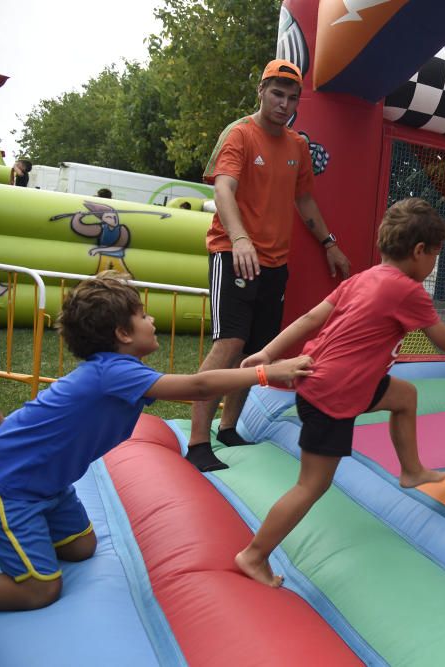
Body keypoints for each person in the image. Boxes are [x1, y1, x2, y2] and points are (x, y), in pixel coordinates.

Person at [0, 272, 312, 612]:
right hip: (7, 484)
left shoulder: (120, 370)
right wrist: (267, 373)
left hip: (46, 483)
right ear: (122, 333)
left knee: (80, 547)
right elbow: (198, 387)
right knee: (39, 590)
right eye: (143, 315)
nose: (152, 319)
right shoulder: (113, 372)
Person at [233, 198, 445, 587]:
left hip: (339, 381)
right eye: (435, 255)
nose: (433, 263)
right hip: (333, 394)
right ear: (419, 252)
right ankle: (254, 555)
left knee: (404, 397)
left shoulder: (364, 277)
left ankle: (412, 470)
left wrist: (268, 351)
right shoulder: (408, 291)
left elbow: (310, 318)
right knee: (311, 485)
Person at [186, 58, 352, 473]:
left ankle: (228, 428)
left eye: (292, 97)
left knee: (256, 353)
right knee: (228, 345)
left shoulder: (297, 145)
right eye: (277, 94)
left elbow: (305, 200)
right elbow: (224, 188)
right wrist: (240, 238)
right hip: (234, 253)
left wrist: (329, 243)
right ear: (260, 91)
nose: (284, 104)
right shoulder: (240, 134)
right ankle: (197, 442)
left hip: (275, 263)